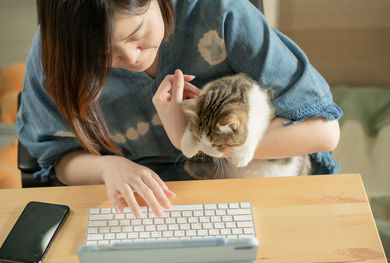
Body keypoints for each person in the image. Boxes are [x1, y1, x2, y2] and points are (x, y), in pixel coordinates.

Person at [17, 0, 342, 217]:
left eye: (137, 33)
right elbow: (53, 158)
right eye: (103, 54)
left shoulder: (218, 12)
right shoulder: (55, 51)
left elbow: (323, 131)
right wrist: (109, 168)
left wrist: (199, 140)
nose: (132, 58)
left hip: (254, 190)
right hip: (140, 210)